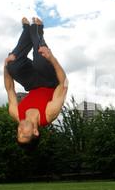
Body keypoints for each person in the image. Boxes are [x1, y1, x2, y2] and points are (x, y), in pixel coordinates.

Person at [4, 17, 68, 149]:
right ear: (35, 132)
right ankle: (37, 29)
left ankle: (26, 31)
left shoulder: (16, 113)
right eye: (24, 134)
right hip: (50, 81)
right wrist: (52, 58)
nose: (20, 130)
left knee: (12, 65)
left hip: (32, 84)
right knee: (41, 61)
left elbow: (10, 89)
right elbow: (64, 84)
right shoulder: (49, 114)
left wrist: (5, 67)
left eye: (18, 133)